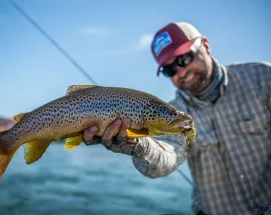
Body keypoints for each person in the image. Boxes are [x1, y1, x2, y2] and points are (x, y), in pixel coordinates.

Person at [82, 22, 271, 215]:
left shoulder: (264, 79)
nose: (181, 72)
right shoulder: (173, 115)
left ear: (205, 45)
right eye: (169, 69)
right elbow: (166, 157)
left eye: (184, 58)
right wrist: (138, 144)